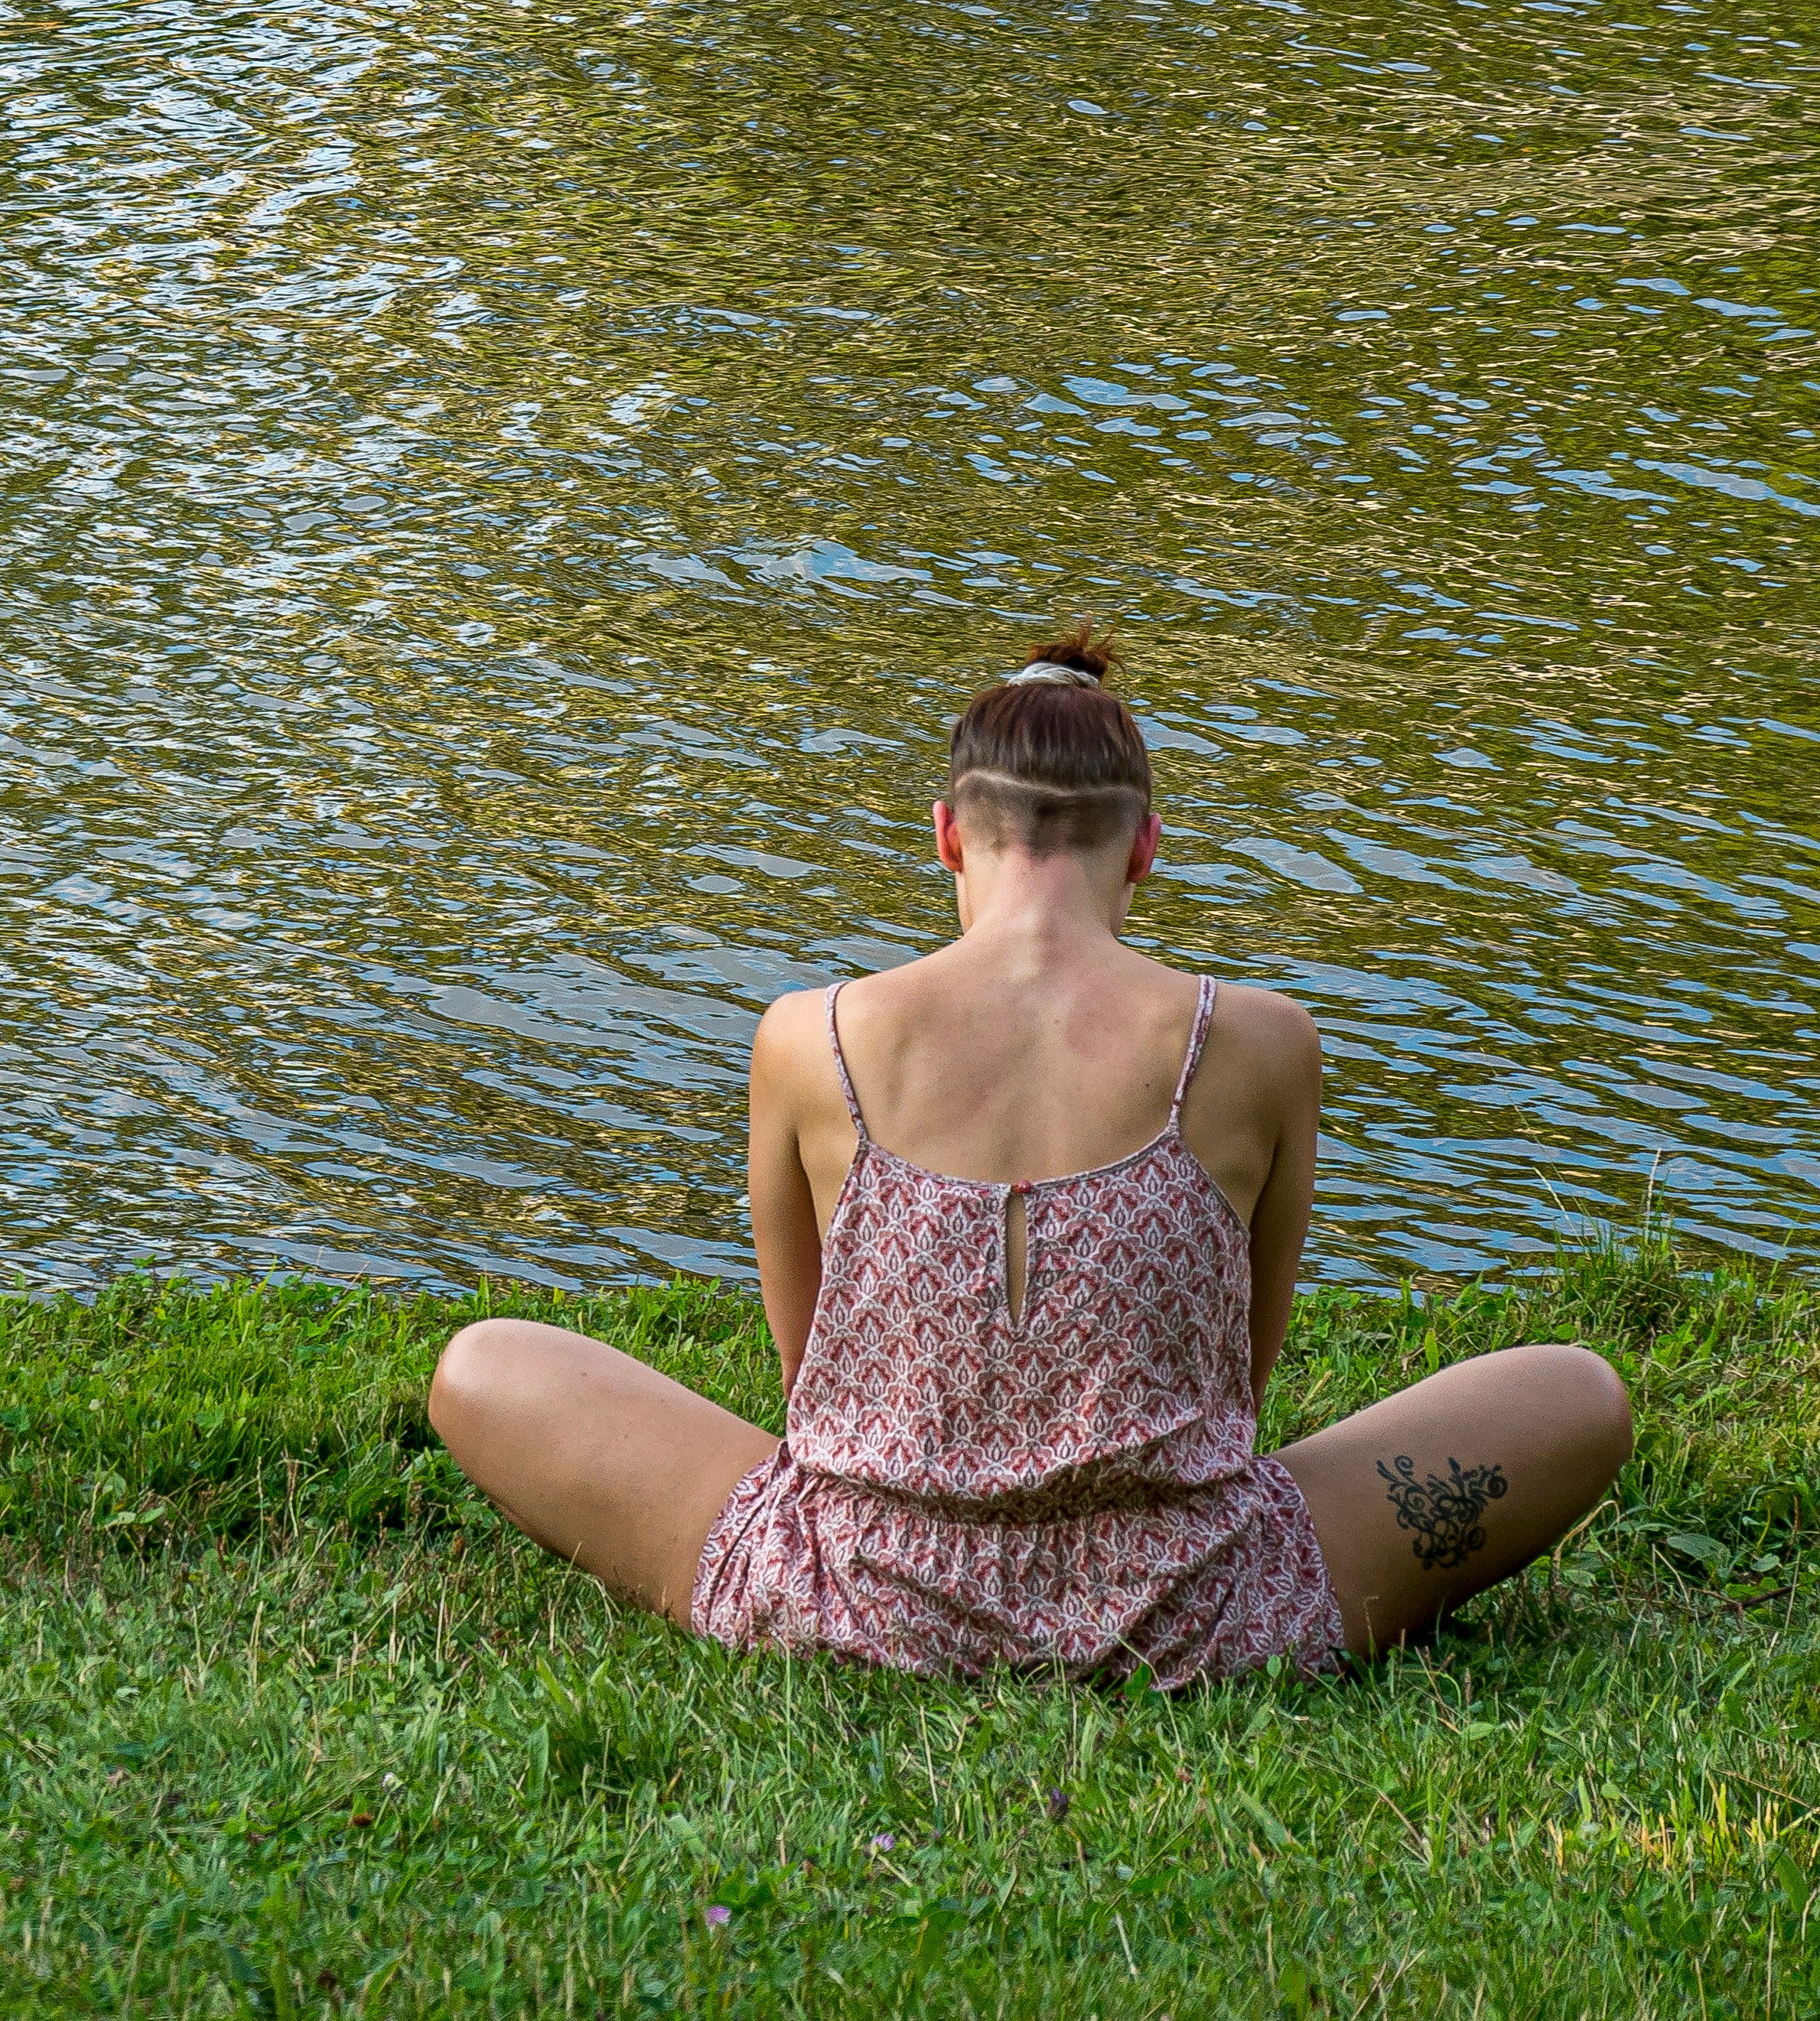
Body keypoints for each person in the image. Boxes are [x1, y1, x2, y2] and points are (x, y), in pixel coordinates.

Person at [425, 628, 1630, 1684]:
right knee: (1577, 1393)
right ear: (1145, 847)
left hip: (850, 1590)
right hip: (1194, 1607)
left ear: (947, 835)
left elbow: (811, 1392)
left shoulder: (808, 1035)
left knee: (484, 1364)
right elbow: (1239, 1390)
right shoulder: (1261, 1041)